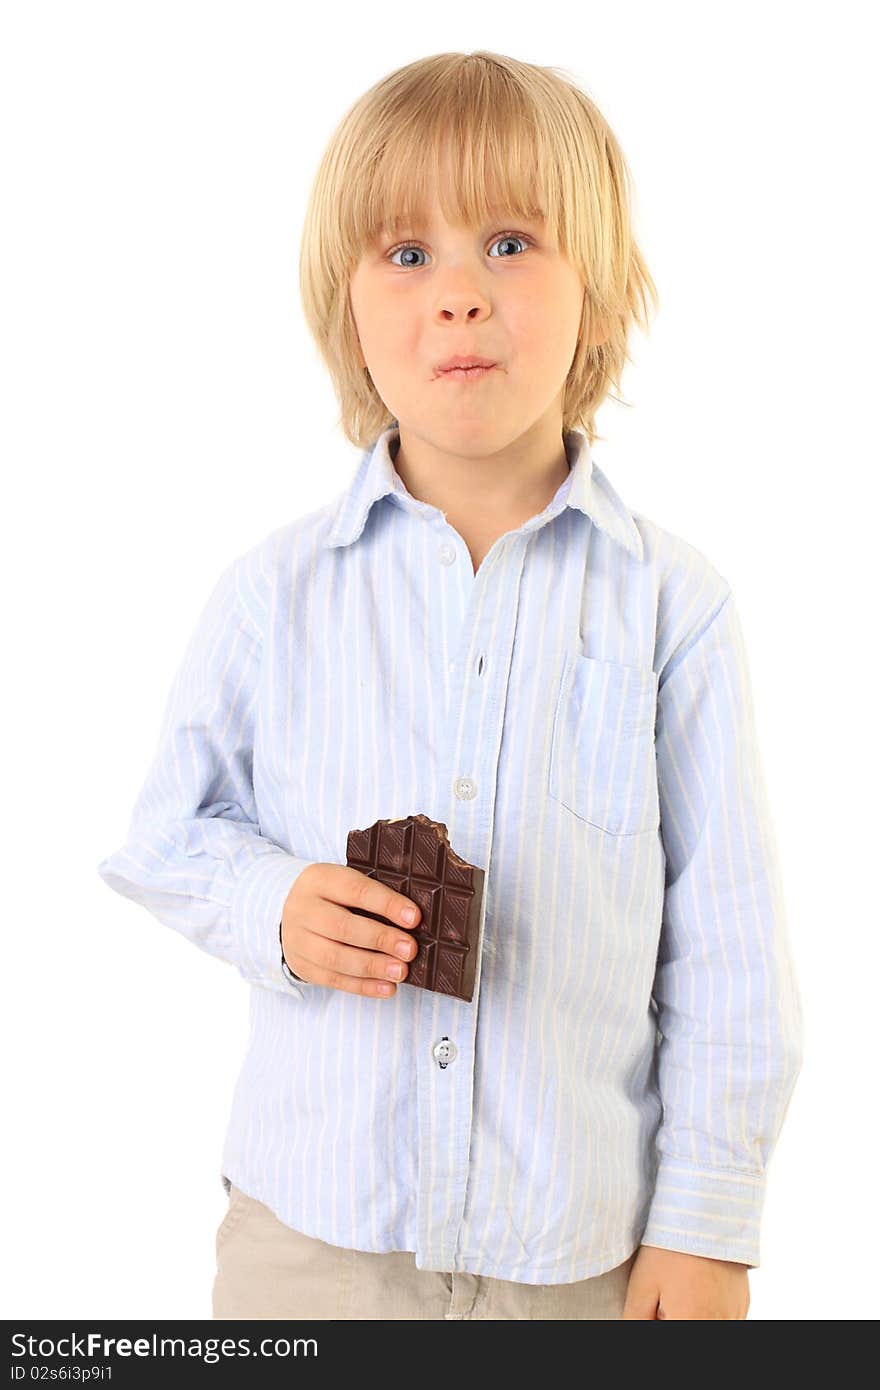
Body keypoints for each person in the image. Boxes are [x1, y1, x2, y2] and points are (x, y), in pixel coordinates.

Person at [97, 50, 804, 1321]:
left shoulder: (670, 605)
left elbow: (730, 946)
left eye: (512, 242)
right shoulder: (276, 590)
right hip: (312, 1244)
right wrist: (275, 905)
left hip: (577, 1249)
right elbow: (164, 835)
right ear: (345, 309)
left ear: (599, 290)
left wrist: (705, 1222)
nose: (460, 297)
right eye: (407, 255)